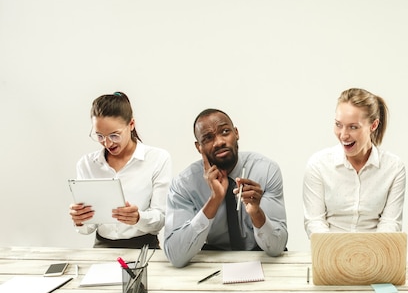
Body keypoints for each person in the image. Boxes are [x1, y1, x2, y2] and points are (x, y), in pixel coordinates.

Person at [164, 108, 288, 268]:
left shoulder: (265, 170)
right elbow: (176, 256)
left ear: (236, 133)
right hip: (213, 262)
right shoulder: (184, 184)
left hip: (262, 260)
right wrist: (214, 200)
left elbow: (277, 248)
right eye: (208, 138)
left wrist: (256, 213)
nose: (219, 142)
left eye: (225, 131)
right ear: (199, 147)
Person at [69, 92, 171, 249]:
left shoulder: (158, 158)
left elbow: (160, 218)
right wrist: (80, 219)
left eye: (114, 135)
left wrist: (138, 218)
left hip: (144, 247)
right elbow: (88, 229)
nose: (107, 143)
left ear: (131, 124)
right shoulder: (87, 164)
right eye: (99, 136)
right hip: (103, 247)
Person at [303, 88, 406, 236]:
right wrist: (338, 251)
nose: (343, 135)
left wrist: (368, 253)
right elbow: (314, 222)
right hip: (330, 251)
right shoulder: (318, 165)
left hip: (375, 252)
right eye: (338, 125)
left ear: (373, 125)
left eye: (353, 127)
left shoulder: (394, 168)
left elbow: (390, 223)